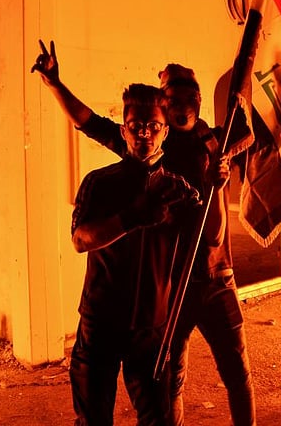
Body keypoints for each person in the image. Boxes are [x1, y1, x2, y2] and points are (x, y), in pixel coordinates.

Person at [32, 40, 257, 426]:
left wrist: (218, 180)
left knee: (226, 378)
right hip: (140, 303)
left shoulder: (209, 145)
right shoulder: (119, 169)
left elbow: (216, 230)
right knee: (157, 393)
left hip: (204, 284)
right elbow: (86, 120)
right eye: (171, 97)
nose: (146, 134)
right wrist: (55, 84)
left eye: (187, 96)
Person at [68, 82, 202, 426]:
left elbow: (197, 252)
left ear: (165, 132)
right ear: (124, 130)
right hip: (100, 324)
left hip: (151, 329)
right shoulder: (99, 183)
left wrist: (216, 184)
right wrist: (133, 218)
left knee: (158, 420)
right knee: (93, 420)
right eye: (136, 126)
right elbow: (81, 240)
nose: (144, 134)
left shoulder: (178, 190)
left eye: (153, 126)